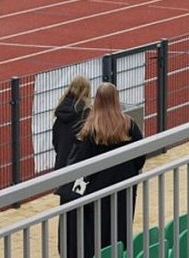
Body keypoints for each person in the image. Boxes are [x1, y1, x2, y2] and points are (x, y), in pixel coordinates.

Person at [60, 83, 146, 258]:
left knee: (97, 237)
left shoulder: (89, 130)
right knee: (120, 233)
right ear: (116, 99)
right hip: (124, 192)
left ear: (97, 101)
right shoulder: (129, 125)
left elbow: (79, 165)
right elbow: (140, 158)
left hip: (97, 196)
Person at [52, 75, 92, 171]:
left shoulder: (61, 110)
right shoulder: (85, 113)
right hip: (78, 165)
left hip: (61, 162)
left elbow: (55, 140)